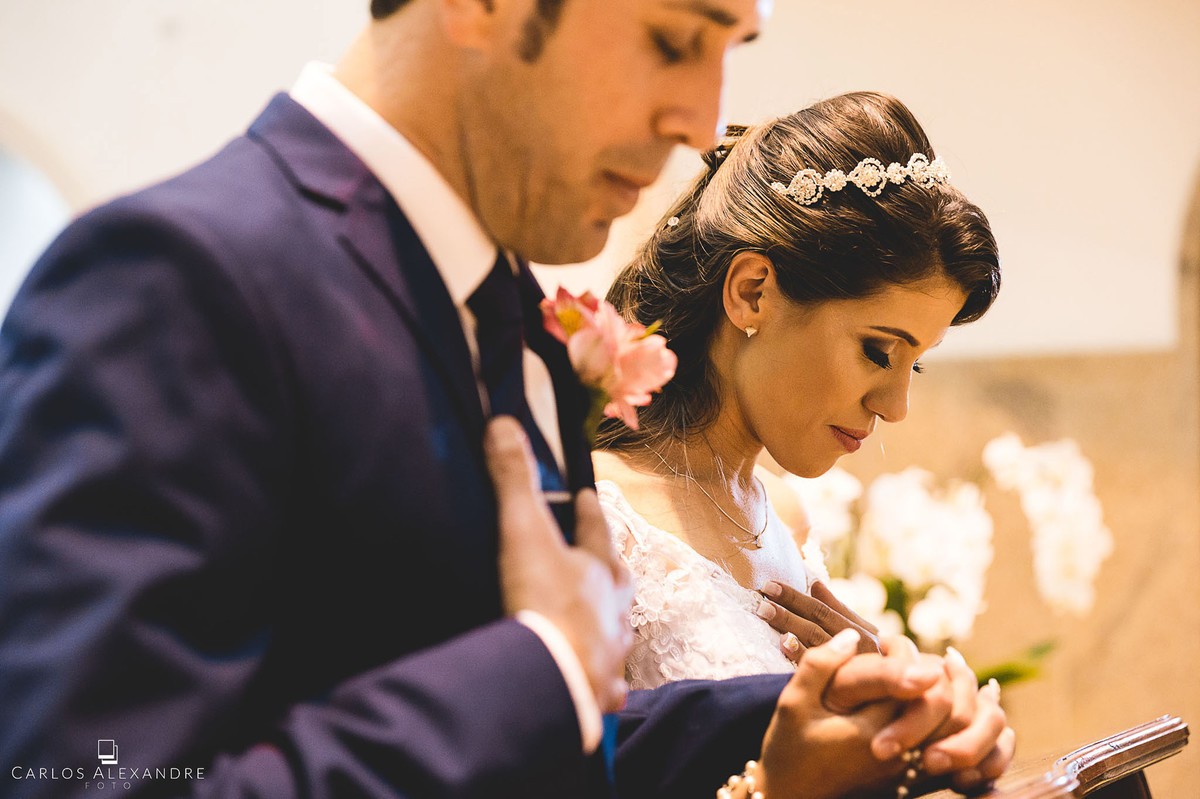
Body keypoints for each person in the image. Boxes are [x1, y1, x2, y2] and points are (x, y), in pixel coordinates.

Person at [0, 0, 1009, 796]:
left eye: (729, 48)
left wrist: (825, 719)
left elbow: (560, 753)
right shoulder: (176, 279)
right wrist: (543, 662)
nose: (702, 121)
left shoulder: (514, 316)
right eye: (672, 39)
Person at [593, 89, 1007, 706]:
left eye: (914, 365)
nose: (895, 407)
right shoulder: (601, 516)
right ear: (753, 293)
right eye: (878, 351)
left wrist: (891, 717)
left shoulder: (785, 517)